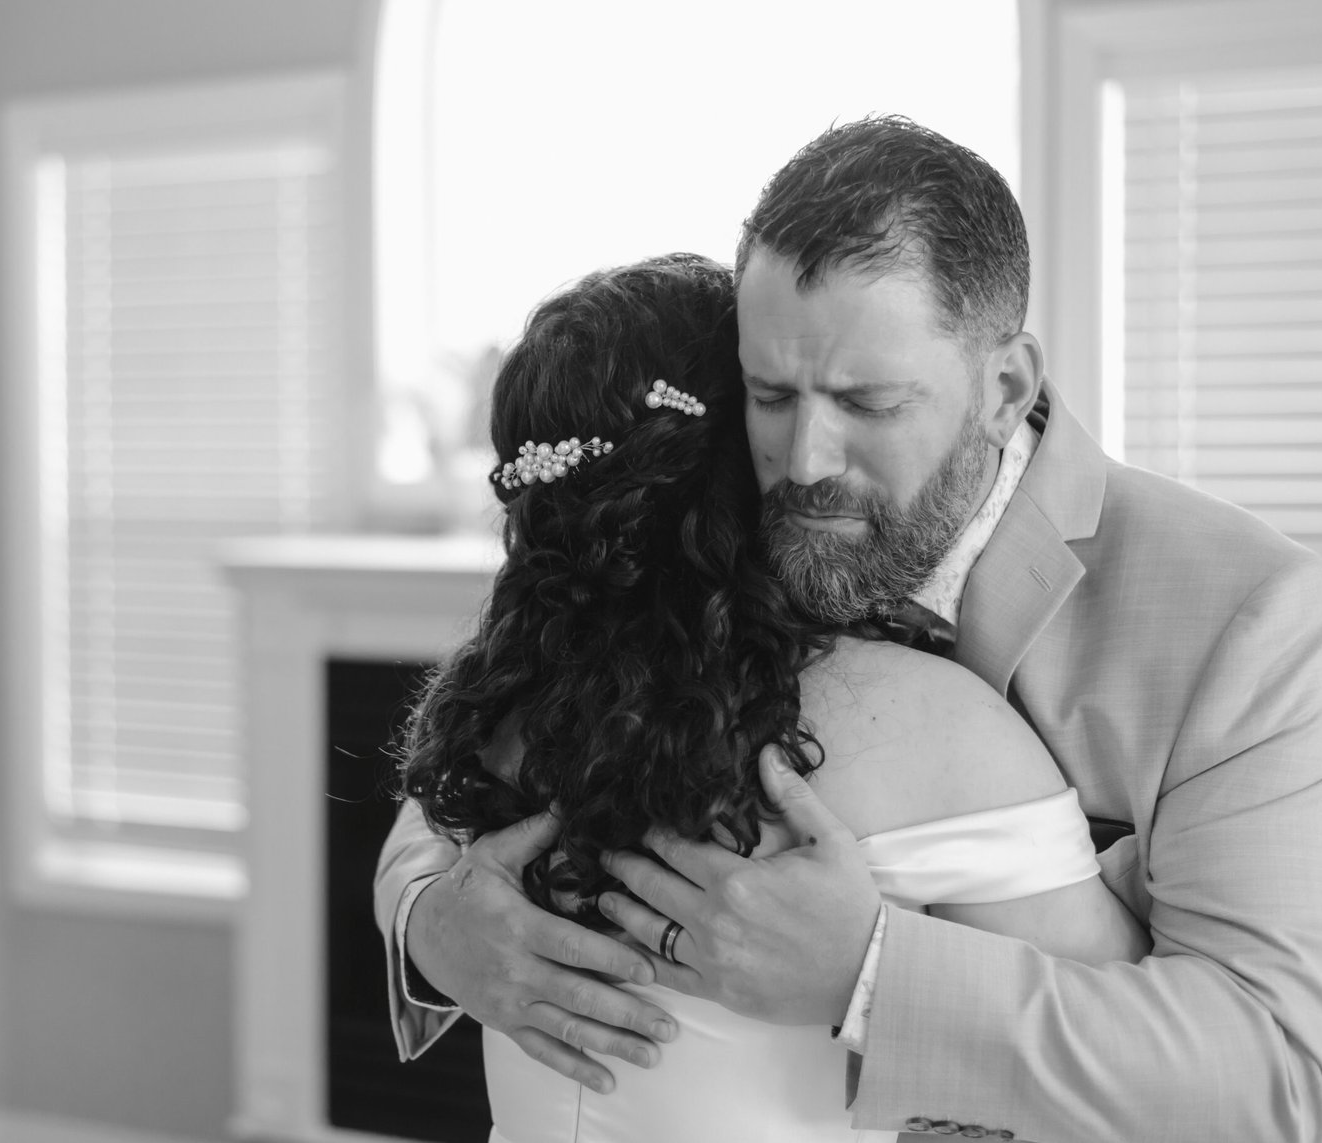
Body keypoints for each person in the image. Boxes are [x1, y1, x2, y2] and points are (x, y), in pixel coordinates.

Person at [376, 118, 1322, 1142]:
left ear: (1004, 390)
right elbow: (525, 721)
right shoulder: (723, 515)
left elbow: (1276, 1078)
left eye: (868, 402)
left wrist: (872, 974)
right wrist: (426, 920)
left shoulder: (1240, 612)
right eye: (771, 394)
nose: (806, 459)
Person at [388, 250, 1148, 1142]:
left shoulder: (500, 714)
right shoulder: (931, 731)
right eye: (775, 398)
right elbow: (1128, 1065)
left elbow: (418, 848)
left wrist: (420, 915)